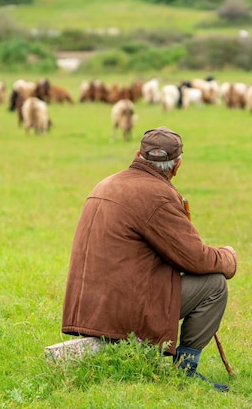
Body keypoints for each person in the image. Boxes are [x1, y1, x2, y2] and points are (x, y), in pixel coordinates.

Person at [62, 126, 237, 392]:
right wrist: (228, 258)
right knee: (214, 285)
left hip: (88, 311)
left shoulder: (106, 182)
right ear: (177, 166)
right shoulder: (158, 196)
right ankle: (185, 372)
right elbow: (196, 259)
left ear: (137, 155)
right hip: (121, 315)